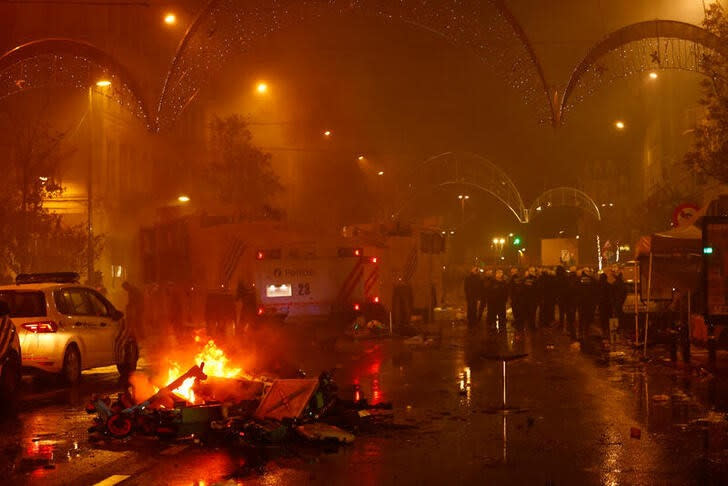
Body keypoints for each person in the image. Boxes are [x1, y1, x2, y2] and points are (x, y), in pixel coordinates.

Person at [577, 268, 597, 341]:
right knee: (588, 318)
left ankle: (580, 334)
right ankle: (586, 333)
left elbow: (576, 290)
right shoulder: (592, 279)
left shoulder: (579, 279)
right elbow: (595, 291)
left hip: (581, 302)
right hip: (589, 302)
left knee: (581, 318)